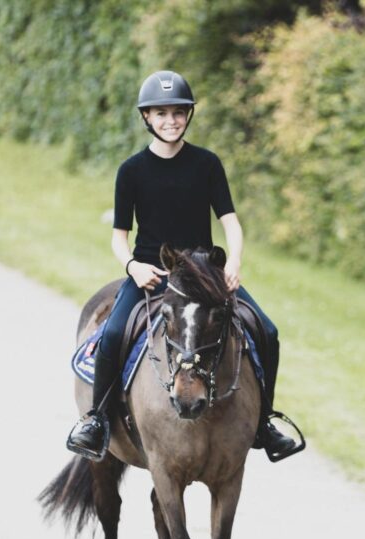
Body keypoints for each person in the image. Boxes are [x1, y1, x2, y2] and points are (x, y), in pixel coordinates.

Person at [66, 70, 301, 461]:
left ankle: (264, 423)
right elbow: (118, 235)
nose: (170, 120)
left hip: (204, 275)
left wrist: (235, 259)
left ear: (188, 115)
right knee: (112, 337)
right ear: (147, 118)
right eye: (161, 114)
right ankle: (98, 420)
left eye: (178, 112)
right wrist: (132, 268)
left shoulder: (207, 165)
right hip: (152, 274)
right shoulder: (131, 171)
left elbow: (230, 222)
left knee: (268, 331)